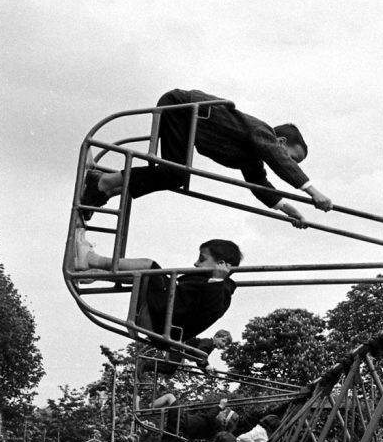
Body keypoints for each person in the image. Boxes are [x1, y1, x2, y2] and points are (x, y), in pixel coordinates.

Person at [80, 88, 332, 227]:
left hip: (189, 121)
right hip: (182, 108)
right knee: (175, 173)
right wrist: (312, 191)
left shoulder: (253, 156)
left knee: (176, 176)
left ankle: (105, 188)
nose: (285, 160)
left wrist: (289, 210)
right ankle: (102, 183)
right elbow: (279, 161)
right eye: (291, 157)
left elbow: (260, 185)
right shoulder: (262, 132)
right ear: (281, 142)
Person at [73, 232, 241, 342]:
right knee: (151, 276)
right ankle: (93, 273)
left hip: (160, 325)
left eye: (202, 259)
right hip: (161, 318)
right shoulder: (209, 283)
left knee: (150, 266)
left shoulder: (221, 291)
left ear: (220, 265)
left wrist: (217, 281)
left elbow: (210, 311)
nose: (195, 263)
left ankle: (91, 259)